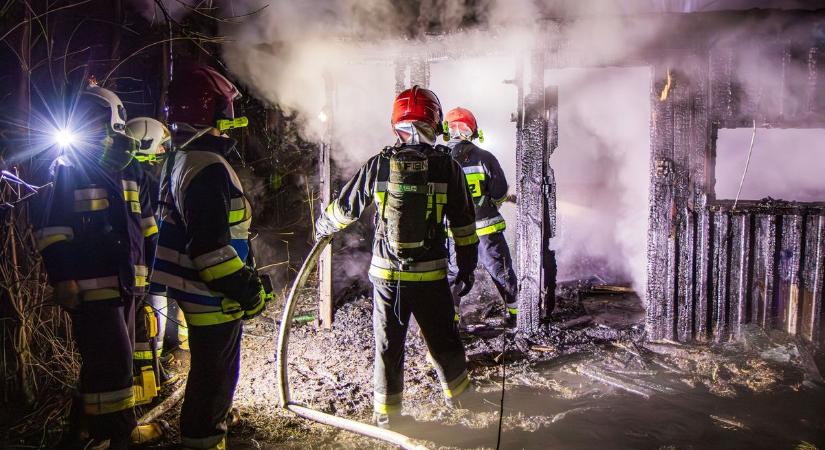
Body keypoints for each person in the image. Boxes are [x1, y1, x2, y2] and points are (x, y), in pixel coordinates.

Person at [315, 86, 479, 428]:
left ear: (396, 124)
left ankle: (388, 415)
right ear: (435, 121)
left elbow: (345, 209)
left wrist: (322, 226)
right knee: (442, 339)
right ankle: (462, 400)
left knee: (389, 345)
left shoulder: (379, 163)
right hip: (431, 274)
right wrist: (466, 269)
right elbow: (464, 226)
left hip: (388, 276)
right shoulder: (447, 167)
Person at [34, 85, 166, 448]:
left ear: (113, 122)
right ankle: (118, 436)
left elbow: (149, 230)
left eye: (94, 119)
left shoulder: (134, 172)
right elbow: (51, 232)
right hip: (90, 288)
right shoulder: (67, 169)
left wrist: (147, 277)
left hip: (127, 284)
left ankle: (81, 433)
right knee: (113, 364)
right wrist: (63, 279)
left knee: (104, 363)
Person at [150, 62, 270, 449]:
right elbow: (211, 249)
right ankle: (204, 438)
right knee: (213, 376)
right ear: (214, 113)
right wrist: (246, 290)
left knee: (210, 373)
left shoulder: (181, 159)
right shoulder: (208, 168)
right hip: (211, 295)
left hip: (193, 289)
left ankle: (210, 425)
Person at [444, 107, 518, 326]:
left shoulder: (440, 160)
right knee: (500, 269)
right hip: (486, 230)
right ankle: (515, 315)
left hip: (455, 232)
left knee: (454, 273)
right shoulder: (485, 157)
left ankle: (452, 321)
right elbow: (500, 192)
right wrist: (489, 205)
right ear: (474, 131)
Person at [124, 117, 178, 397]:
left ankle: (153, 378)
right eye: (160, 148)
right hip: (143, 268)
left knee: (145, 328)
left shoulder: (128, 172)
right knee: (147, 328)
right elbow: (149, 229)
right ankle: (149, 384)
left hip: (134, 268)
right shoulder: (142, 175)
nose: (163, 153)